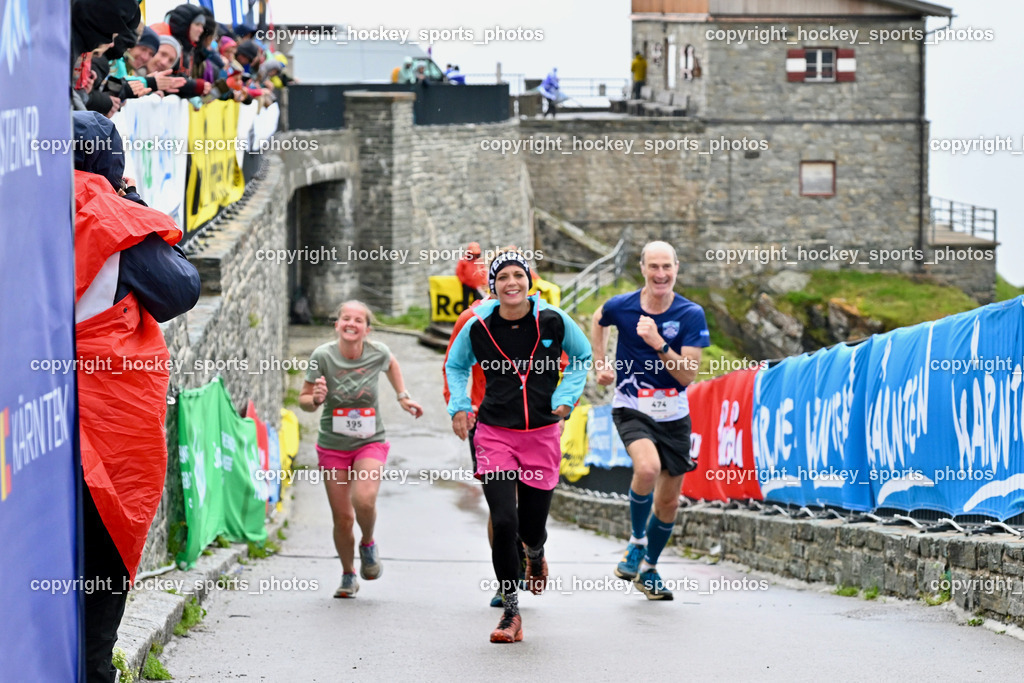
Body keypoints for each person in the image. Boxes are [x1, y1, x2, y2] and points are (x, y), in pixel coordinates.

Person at [73, 111, 201, 683]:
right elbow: (180, 289)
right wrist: (134, 203)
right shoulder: (109, 216)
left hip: (33, 411)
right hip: (104, 414)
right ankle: (94, 666)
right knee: (105, 546)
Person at [446, 249, 592, 643]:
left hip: (542, 435)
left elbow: (582, 356)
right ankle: (511, 612)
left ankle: (536, 554)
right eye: (503, 277)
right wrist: (459, 406)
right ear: (492, 285)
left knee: (530, 527)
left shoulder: (554, 320)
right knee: (504, 520)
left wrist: (567, 395)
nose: (512, 283)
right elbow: (456, 365)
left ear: (530, 280)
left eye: (519, 275)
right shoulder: (478, 325)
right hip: (494, 433)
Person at [590, 241, 710, 600]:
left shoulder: (691, 314)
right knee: (646, 469)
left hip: (674, 415)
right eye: (653, 267)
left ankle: (649, 569)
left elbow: (687, 375)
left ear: (677, 268)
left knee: (670, 502)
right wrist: (601, 361)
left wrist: (658, 343)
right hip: (632, 406)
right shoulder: (622, 306)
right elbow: (599, 320)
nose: (660, 274)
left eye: (667, 267)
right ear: (642, 268)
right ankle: (636, 542)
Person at [300, 302, 423, 598]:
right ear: (337, 324)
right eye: (345, 318)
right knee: (342, 517)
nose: (351, 323)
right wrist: (315, 399)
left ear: (367, 329)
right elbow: (303, 400)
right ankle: (347, 574)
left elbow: (392, 363)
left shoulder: (377, 351)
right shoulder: (322, 356)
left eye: (358, 320)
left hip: (370, 440)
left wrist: (402, 396)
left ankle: (367, 543)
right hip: (333, 445)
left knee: (363, 499)